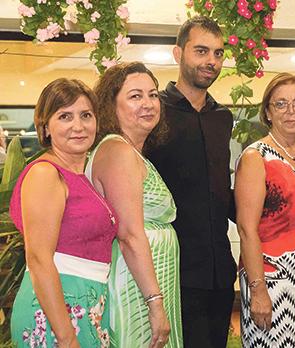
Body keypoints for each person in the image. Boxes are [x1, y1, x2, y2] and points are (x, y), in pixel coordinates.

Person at [144, 16, 236, 348]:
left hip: (219, 271)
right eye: (201, 51)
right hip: (170, 270)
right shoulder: (154, 112)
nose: (211, 61)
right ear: (177, 53)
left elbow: (217, 189)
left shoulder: (222, 117)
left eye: (218, 53)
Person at [9, 79, 117, 347]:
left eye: (86, 115)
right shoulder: (46, 173)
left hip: (88, 304)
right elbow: (38, 260)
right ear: (46, 126)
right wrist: (67, 337)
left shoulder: (83, 176)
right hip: (56, 312)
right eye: (65, 116)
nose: (78, 126)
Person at [235, 73, 295, 347]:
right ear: (267, 111)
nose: (290, 111)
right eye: (281, 104)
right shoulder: (256, 157)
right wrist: (258, 291)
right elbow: (246, 230)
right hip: (273, 286)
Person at [87, 62, 179, 347]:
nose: (148, 104)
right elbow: (128, 235)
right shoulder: (118, 151)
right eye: (135, 96)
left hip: (146, 286)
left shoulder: (131, 152)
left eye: (153, 95)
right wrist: (154, 302)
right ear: (110, 105)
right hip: (134, 291)